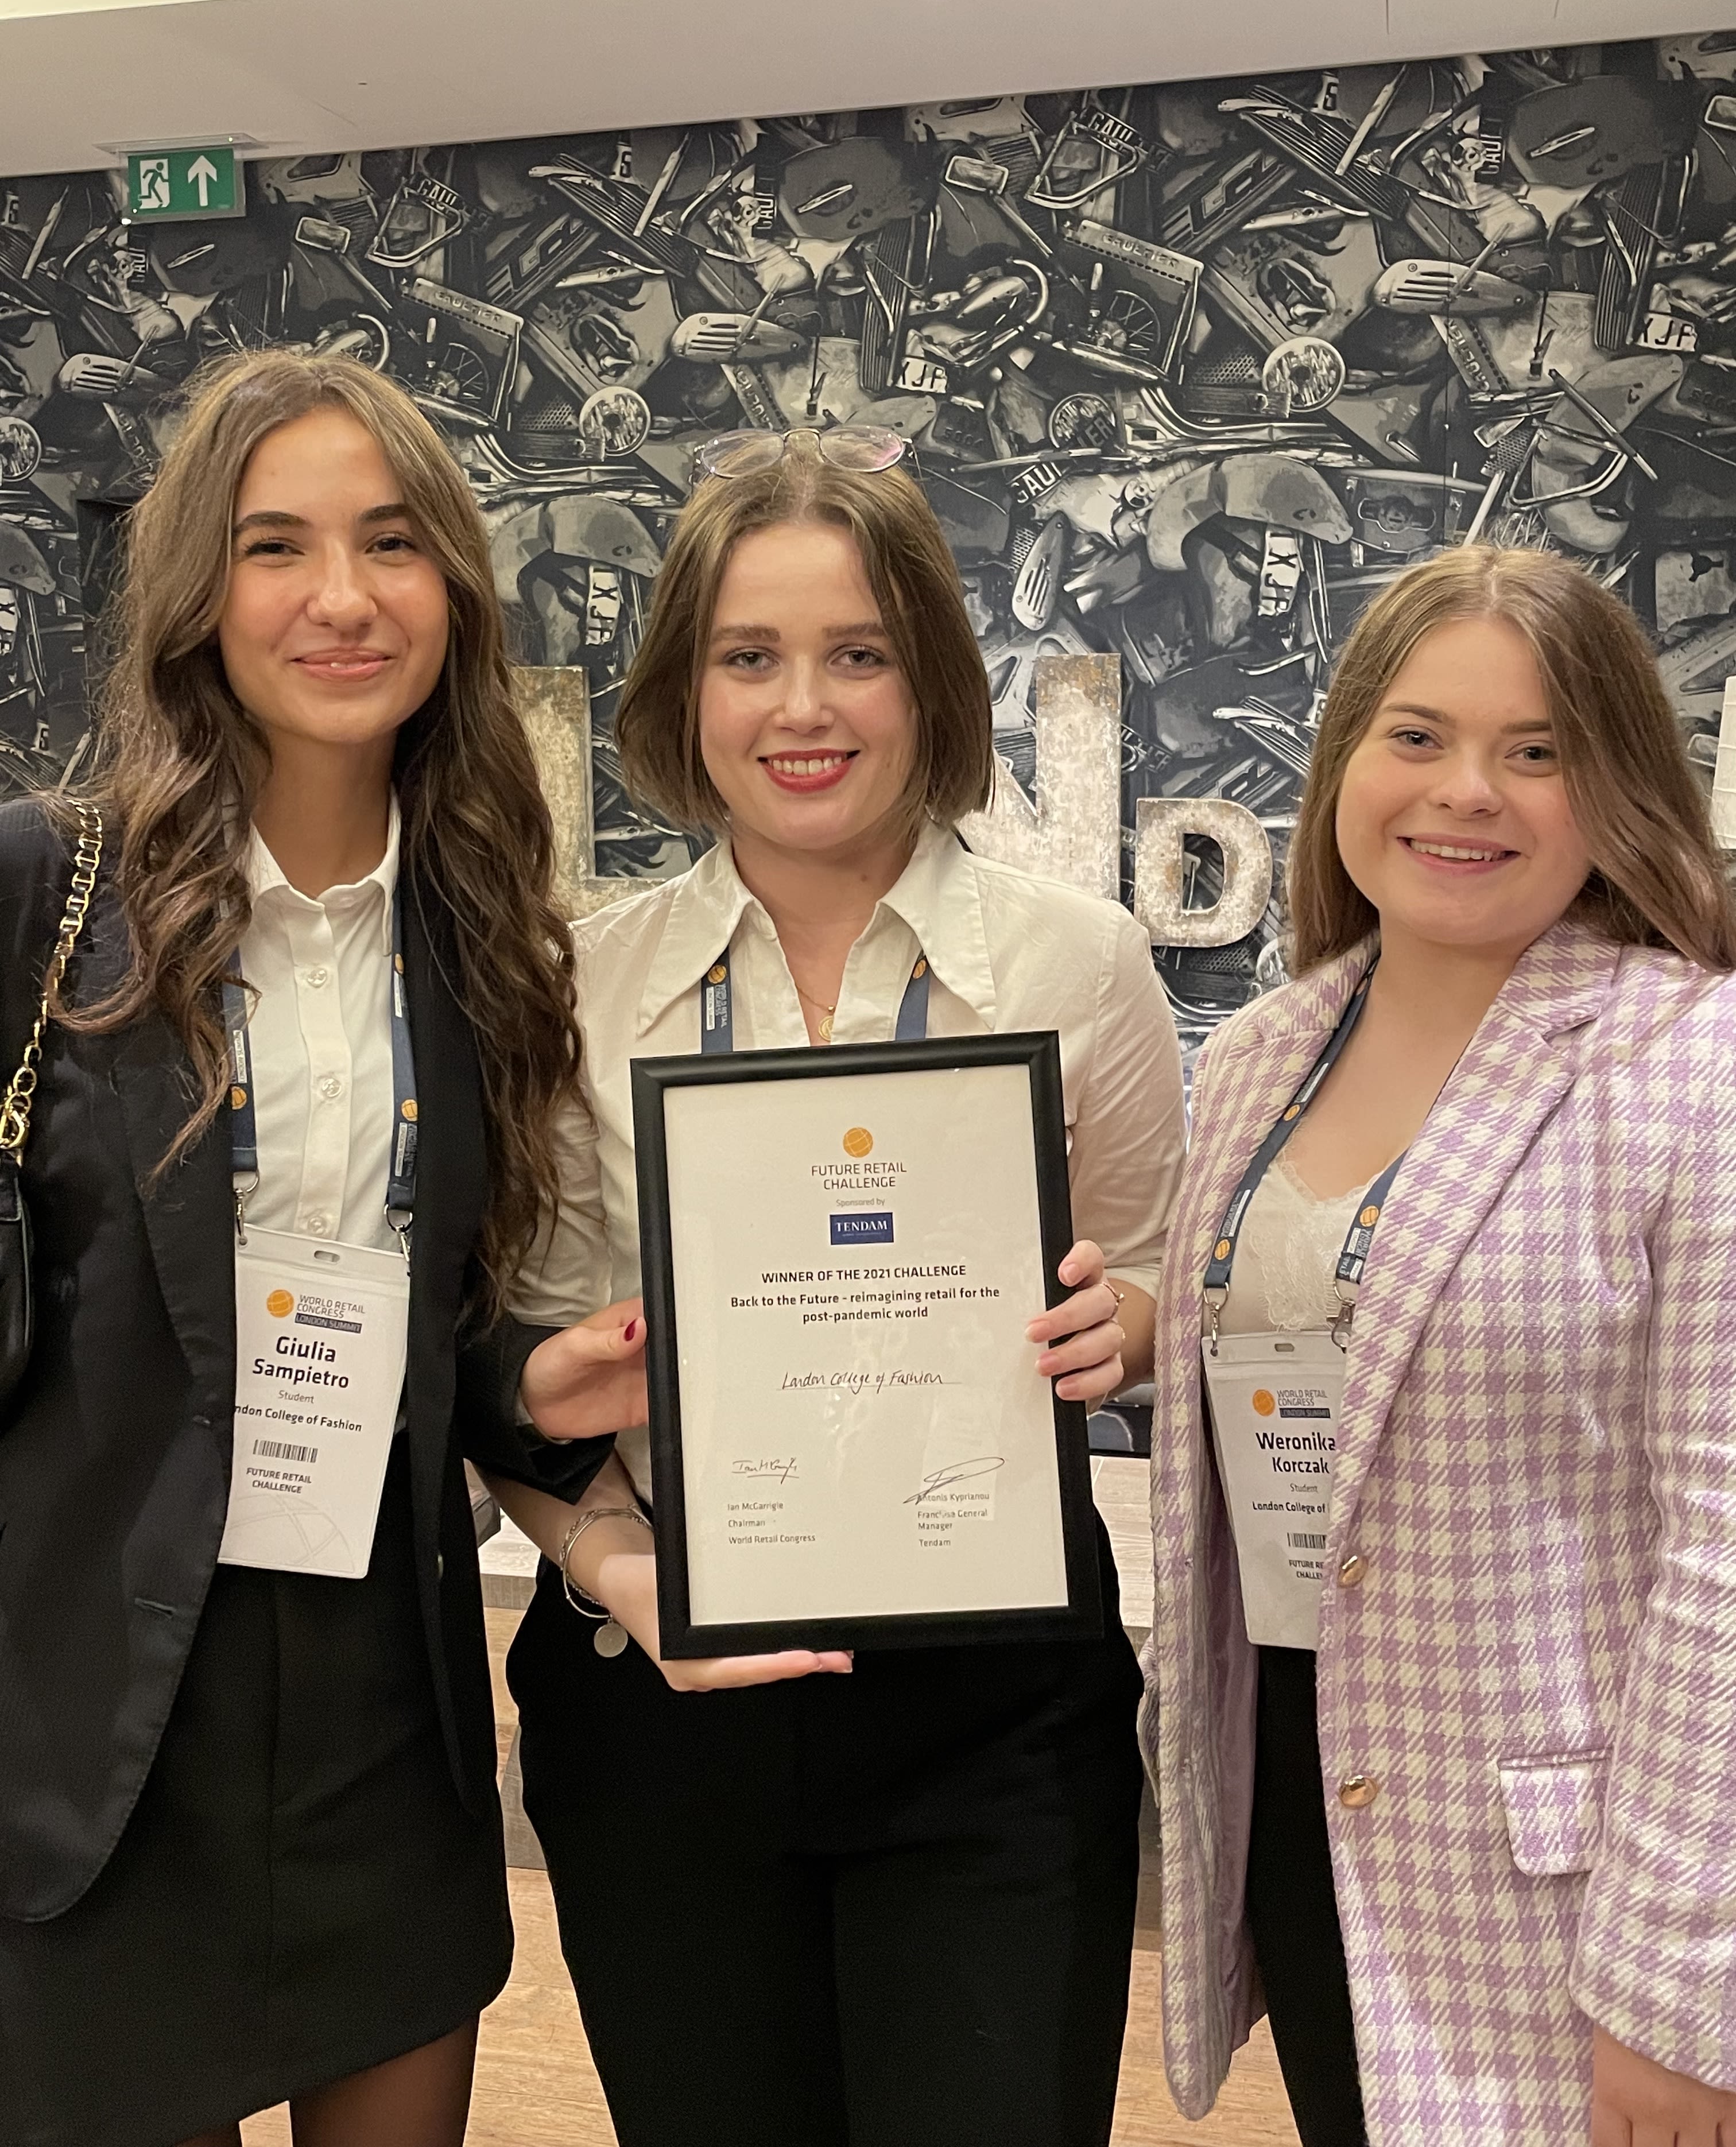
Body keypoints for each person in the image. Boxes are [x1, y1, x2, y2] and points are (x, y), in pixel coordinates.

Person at [489, 424, 1187, 2147]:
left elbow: (1175, 1279)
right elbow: (504, 1372)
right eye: (751, 657)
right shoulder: (579, 981)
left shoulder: (1076, 963)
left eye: (858, 653)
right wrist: (598, 1551)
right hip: (662, 1682)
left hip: (995, 1712)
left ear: (930, 679)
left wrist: (1138, 1322)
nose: (805, 707)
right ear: (685, 690)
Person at [0, 350, 631, 2147]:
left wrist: (537, 1378)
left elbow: (452, 1335)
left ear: (454, 587)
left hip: (381, 1707)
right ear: (199, 594)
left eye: (392, 543)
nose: (342, 599)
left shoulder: (492, 938)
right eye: (277, 546)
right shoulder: (45, 891)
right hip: (90, 1729)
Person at [1142, 545, 1736, 2147]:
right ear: (1343, 759)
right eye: (1416, 736)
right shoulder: (1268, 1050)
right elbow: (1323, 1351)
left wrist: (1686, 1988)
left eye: (1535, 750)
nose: (1465, 792)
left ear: (1614, 784)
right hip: (1311, 1814)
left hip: (1569, 1896)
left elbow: (1727, 1551)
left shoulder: (1692, 1060)